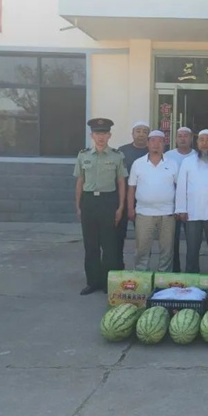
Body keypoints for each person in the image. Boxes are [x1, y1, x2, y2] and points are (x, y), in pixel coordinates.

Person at [74, 118, 127, 295]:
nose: (101, 137)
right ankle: (92, 282)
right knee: (91, 245)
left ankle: (107, 283)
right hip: (89, 201)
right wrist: (78, 206)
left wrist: (120, 207)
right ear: (92, 135)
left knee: (109, 245)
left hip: (108, 201)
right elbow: (80, 181)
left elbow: (121, 182)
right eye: (97, 133)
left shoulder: (117, 156)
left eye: (104, 133)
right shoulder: (83, 155)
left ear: (109, 135)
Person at [175, 129, 208, 274]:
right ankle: (192, 279)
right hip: (192, 212)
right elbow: (181, 186)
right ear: (197, 143)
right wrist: (181, 209)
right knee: (192, 249)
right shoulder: (188, 161)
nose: (205, 143)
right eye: (201, 140)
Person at [127, 130, 179, 272]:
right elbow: (131, 188)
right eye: (153, 141)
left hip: (167, 213)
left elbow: (178, 187)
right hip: (144, 213)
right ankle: (141, 277)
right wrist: (130, 208)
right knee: (142, 249)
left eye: (160, 141)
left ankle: (164, 278)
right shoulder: (138, 163)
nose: (156, 144)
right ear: (148, 144)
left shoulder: (172, 163)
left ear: (164, 144)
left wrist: (178, 208)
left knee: (167, 249)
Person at [115, 121, 149, 269]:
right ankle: (118, 265)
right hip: (123, 198)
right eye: (138, 131)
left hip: (143, 200)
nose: (141, 134)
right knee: (118, 234)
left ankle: (142, 269)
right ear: (132, 133)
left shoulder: (152, 151)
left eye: (144, 131)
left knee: (143, 237)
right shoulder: (122, 151)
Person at [165, 126, 196, 273]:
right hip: (171, 205)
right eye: (180, 136)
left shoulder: (197, 155)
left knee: (192, 242)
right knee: (172, 241)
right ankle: (175, 272)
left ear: (191, 138)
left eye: (186, 136)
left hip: (192, 206)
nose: (183, 139)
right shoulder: (168, 156)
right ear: (176, 138)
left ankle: (191, 271)